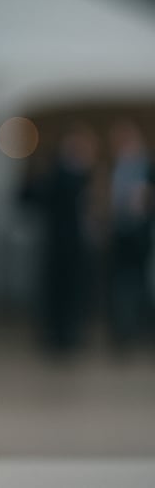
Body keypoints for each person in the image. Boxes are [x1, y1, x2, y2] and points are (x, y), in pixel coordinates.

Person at [26, 124, 98, 355]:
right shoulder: (62, 173)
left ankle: (68, 332)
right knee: (60, 290)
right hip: (61, 243)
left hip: (74, 243)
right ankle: (59, 334)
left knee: (73, 290)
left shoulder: (81, 174)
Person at [107, 120, 153, 349]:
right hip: (122, 233)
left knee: (139, 283)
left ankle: (139, 329)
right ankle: (125, 331)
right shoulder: (118, 167)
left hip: (140, 234)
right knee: (123, 284)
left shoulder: (146, 167)